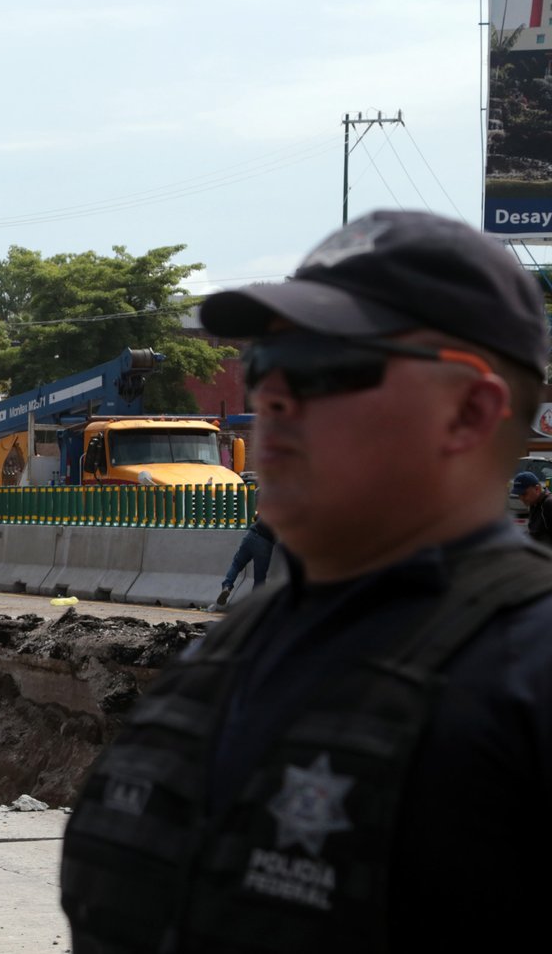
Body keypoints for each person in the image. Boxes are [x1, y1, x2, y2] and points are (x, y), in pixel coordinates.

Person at [59, 210, 552, 952]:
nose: (274, 398)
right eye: (265, 365)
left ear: (469, 411)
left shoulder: (529, 676)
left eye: (327, 365)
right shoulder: (227, 655)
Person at [210, 515, 277, 610]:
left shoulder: (272, 505)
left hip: (251, 535)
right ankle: (255, 605)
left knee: (236, 564)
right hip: (265, 542)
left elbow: (255, 517)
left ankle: (227, 586)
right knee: (259, 577)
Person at [512, 470, 552, 546]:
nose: (521, 498)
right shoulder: (534, 503)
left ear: (537, 489)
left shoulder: (548, 504)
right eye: (519, 494)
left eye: (524, 494)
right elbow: (535, 533)